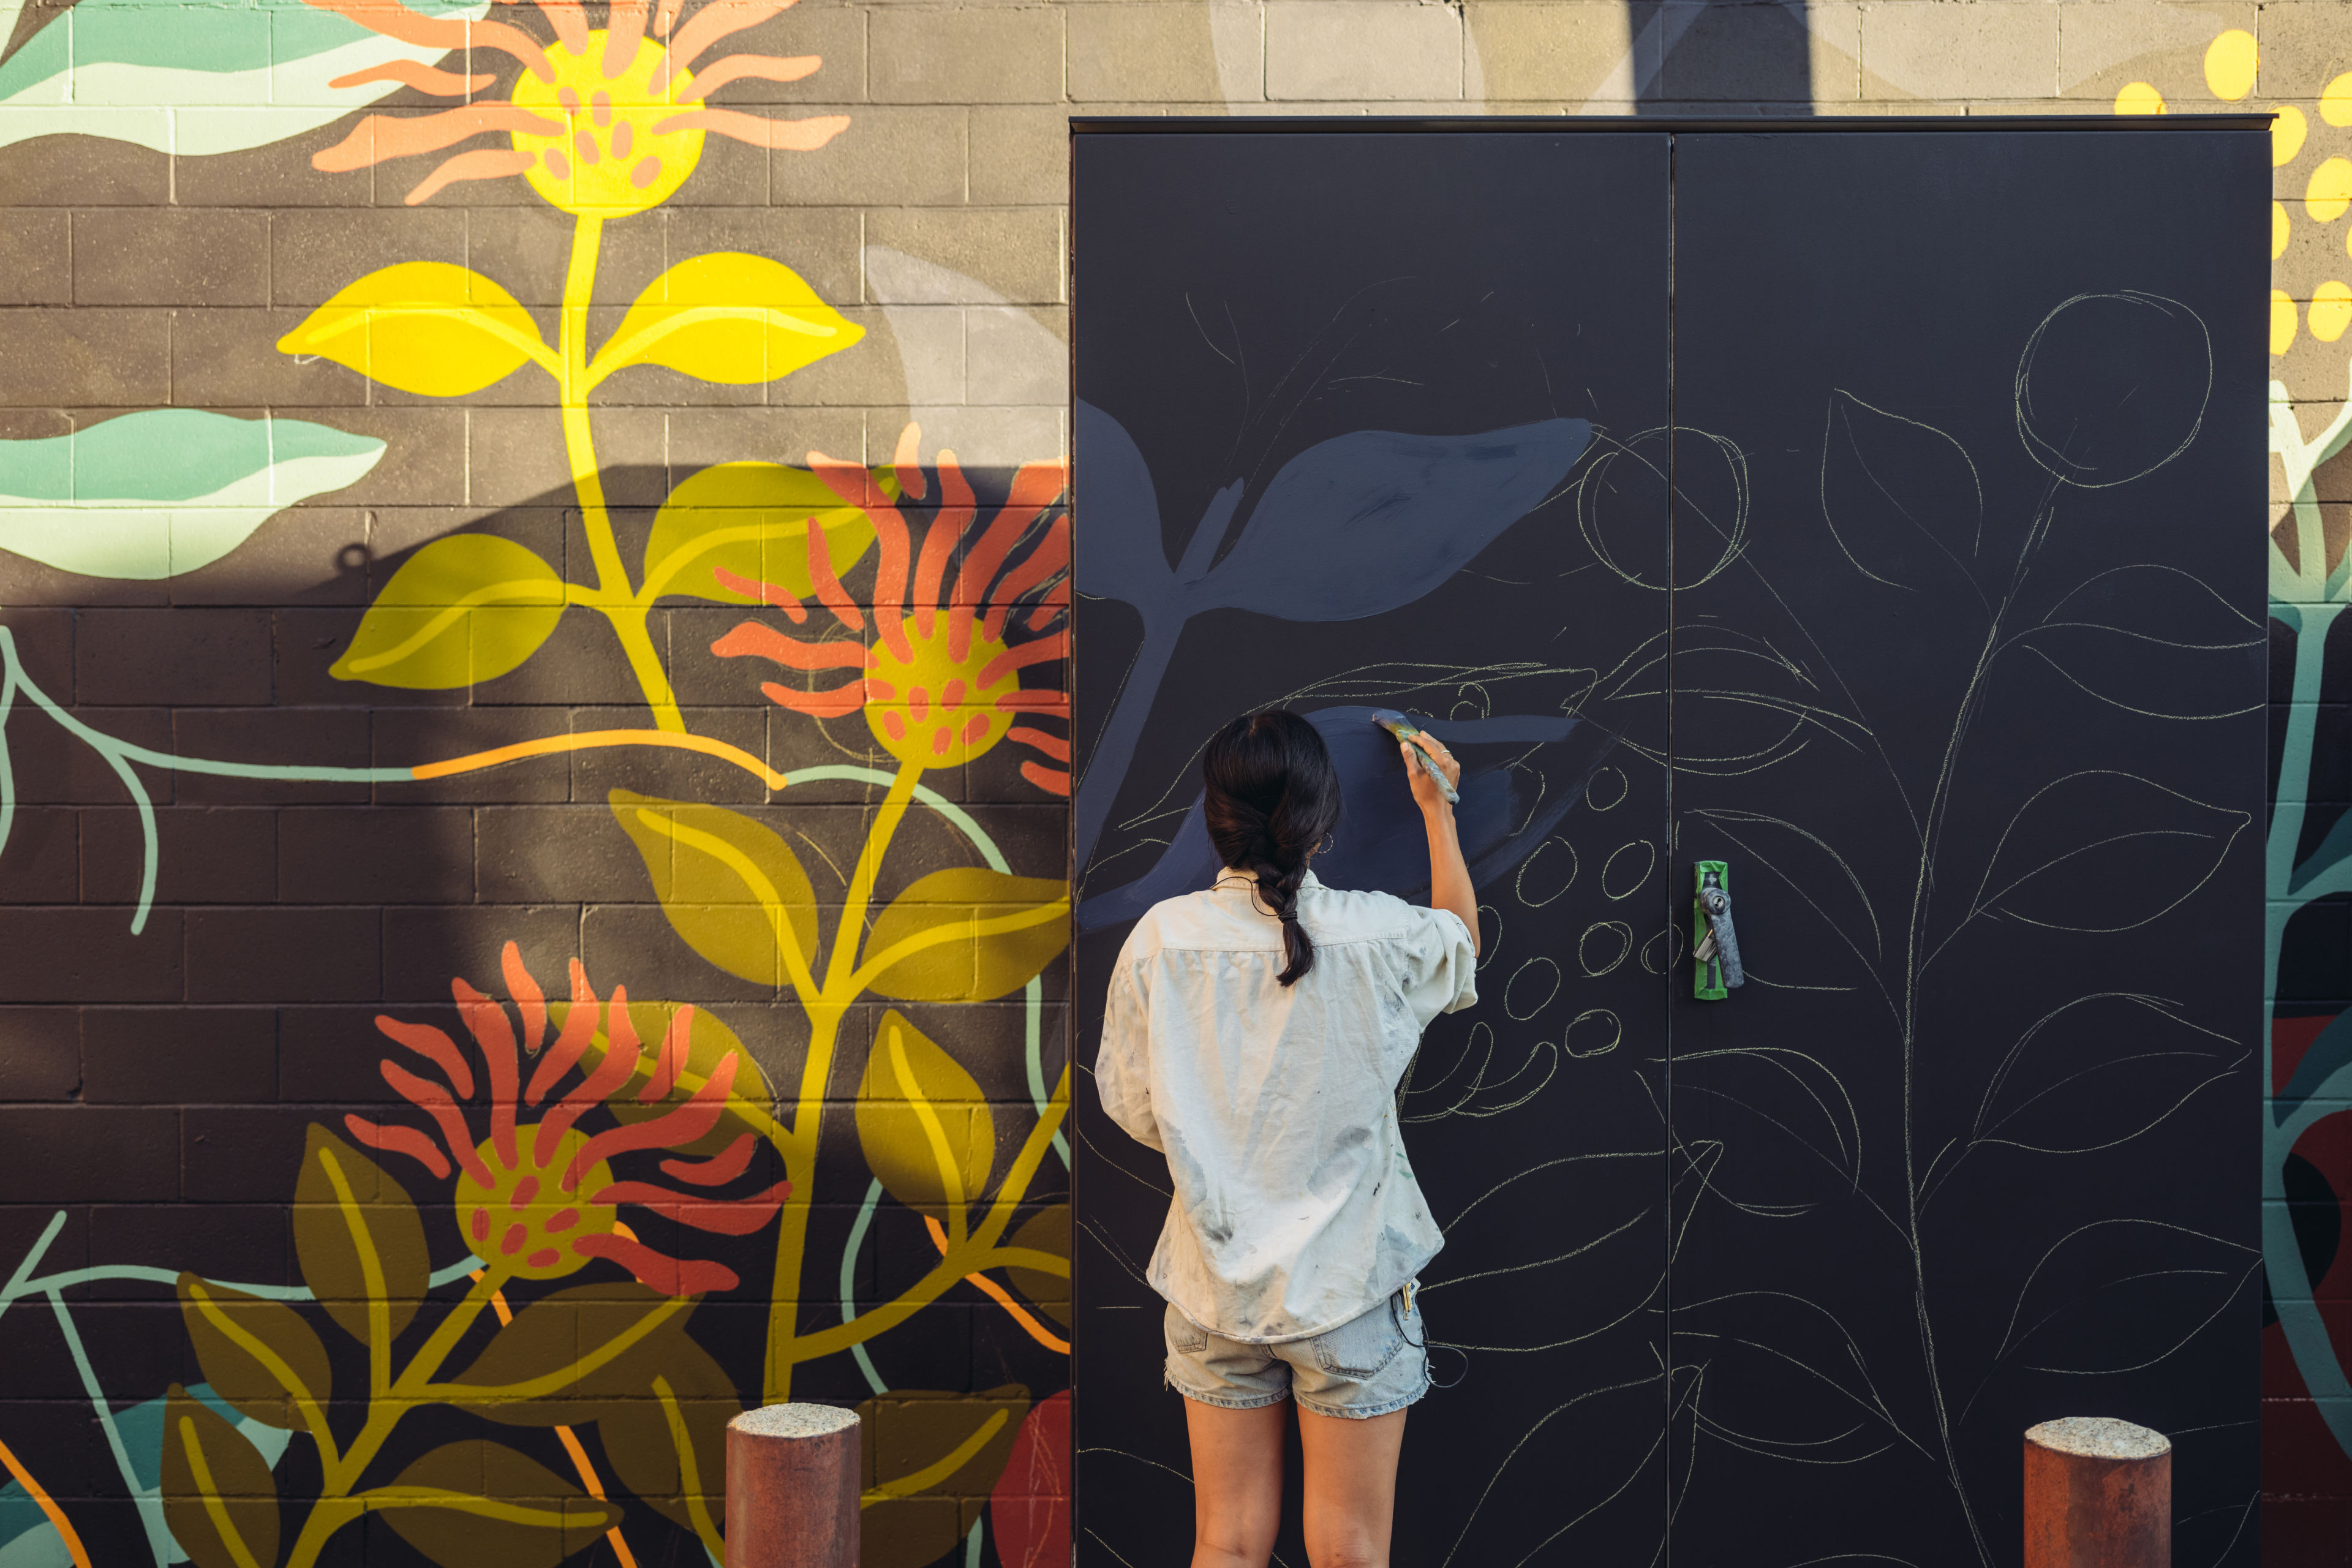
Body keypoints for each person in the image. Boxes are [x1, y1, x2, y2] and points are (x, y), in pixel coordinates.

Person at [1096, 708, 1481, 1568]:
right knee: (1350, 1552)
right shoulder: (1382, 934)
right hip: (1351, 1287)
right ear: (1322, 818)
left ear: (1215, 816)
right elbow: (1464, 945)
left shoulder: (1162, 942)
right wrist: (1436, 810)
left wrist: (1219, 1142)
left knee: (1225, 1546)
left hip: (1214, 1289)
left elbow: (1128, 1101)